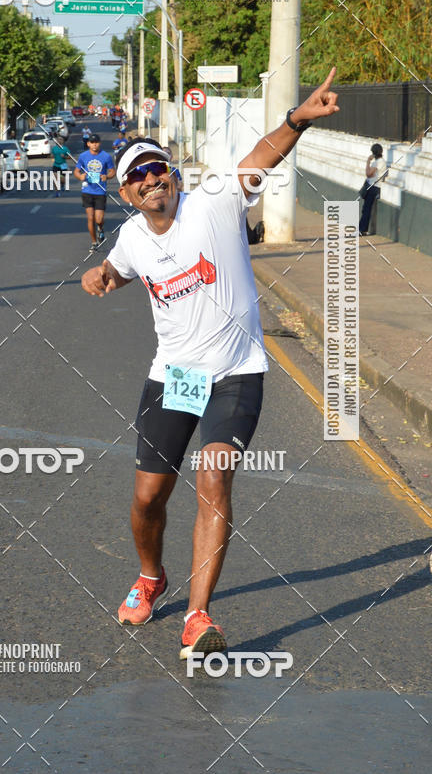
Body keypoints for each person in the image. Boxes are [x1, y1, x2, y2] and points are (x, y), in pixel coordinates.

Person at [81, 69, 340, 659]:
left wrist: (296, 119)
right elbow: (118, 270)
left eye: (157, 170)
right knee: (148, 498)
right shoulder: (130, 238)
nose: (151, 181)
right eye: (137, 177)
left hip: (236, 371)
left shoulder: (215, 203)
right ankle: (151, 576)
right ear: (126, 193)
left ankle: (197, 616)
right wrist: (100, 277)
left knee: (213, 475)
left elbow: (259, 157)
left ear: (172, 177)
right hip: (175, 375)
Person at [73, 134, 116, 251]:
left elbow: (112, 171)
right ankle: (94, 242)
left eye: (96, 142)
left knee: (99, 219)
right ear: (88, 144)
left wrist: (106, 176)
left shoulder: (106, 156)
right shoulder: (83, 156)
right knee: (90, 217)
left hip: (100, 192)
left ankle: (100, 229)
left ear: (99, 143)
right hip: (87, 190)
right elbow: (76, 171)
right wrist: (80, 176)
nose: (94, 144)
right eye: (92, 142)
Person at [359, 143, 387, 235]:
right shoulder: (379, 161)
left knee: (366, 208)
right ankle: (362, 229)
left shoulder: (379, 162)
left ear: (374, 153)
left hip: (373, 187)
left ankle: (362, 230)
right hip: (372, 186)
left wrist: (368, 161)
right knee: (365, 208)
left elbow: (368, 173)